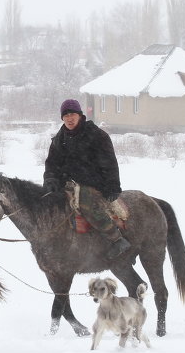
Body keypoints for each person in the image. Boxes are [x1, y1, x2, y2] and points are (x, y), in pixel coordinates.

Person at [42, 98, 132, 257]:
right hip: (68, 184)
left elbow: (109, 162)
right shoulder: (59, 139)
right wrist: (50, 180)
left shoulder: (96, 135)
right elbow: (51, 164)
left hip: (94, 183)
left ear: (80, 115)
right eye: (66, 115)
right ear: (62, 118)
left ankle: (117, 239)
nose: (69, 118)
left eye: (72, 114)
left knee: (86, 202)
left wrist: (112, 186)